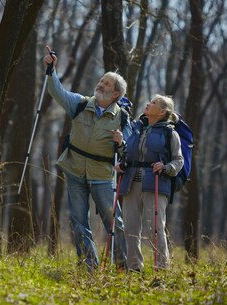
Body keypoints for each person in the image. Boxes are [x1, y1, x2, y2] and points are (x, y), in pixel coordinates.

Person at [44, 45, 130, 271]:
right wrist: (51, 71)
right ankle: (88, 266)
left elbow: (127, 153)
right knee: (79, 222)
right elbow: (58, 92)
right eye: (101, 80)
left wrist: (121, 143)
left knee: (114, 223)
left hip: (102, 176)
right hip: (75, 171)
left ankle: (122, 266)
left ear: (115, 95)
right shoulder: (81, 103)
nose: (100, 84)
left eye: (107, 84)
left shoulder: (121, 119)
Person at [115, 94, 184, 271]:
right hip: (130, 182)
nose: (148, 104)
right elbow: (128, 153)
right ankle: (134, 267)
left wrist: (166, 167)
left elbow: (178, 160)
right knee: (130, 227)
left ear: (162, 112)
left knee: (155, 228)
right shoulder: (137, 129)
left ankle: (161, 268)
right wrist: (122, 163)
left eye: (153, 103)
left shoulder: (170, 133)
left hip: (155, 183)